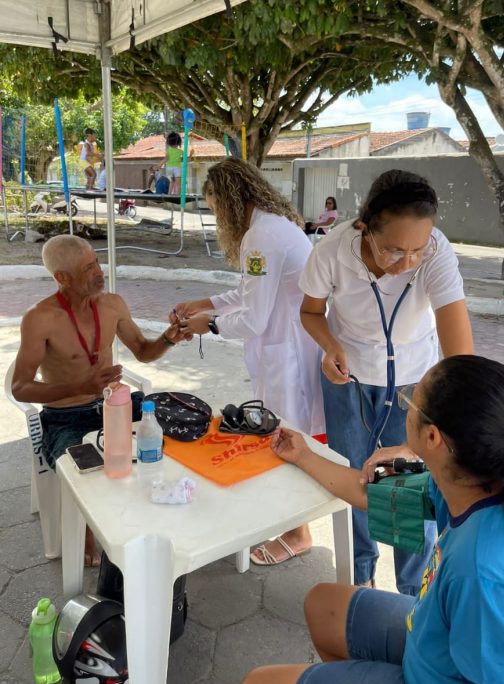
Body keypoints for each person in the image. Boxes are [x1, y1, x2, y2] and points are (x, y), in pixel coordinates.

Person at [239, 355, 504, 684]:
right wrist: (302, 454)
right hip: (434, 642)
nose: (405, 408)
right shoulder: (472, 482)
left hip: (437, 681)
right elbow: (369, 491)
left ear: (432, 437)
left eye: (409, 402)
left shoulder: (483, 575)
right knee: (322, 604)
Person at [299, 169, 474, 593]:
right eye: (395, 250)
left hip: (415, 382)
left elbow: (463, 360)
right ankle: (360, 579)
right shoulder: (331, 251)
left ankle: (415, 593)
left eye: (419, 248)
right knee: (354, 474)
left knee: (410, 483)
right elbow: (310, 312)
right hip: (349, 378)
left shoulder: (436, 253)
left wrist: (423, 438)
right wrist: (329, 347)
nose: (409, 262)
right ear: (364, 227)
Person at [171, 157, 324, 566]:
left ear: (228, 199)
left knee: (288, 436)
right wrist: (205, 304)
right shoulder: (274, 227)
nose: (217, 217)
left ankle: (298, 531)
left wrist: (210, 326)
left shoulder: (260, 238)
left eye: (214, 208)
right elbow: (250, 293)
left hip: (287, 352)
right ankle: (289, 521)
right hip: (291, 346)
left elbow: (254, 317)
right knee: (290, 433)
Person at [11, 235, 190, 564]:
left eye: (96, 262)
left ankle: (165, 503)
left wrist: (168, 338)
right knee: (87, 474)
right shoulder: (40, 318)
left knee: (180, 425)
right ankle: (88, 530)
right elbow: (20, 388)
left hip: (115, 404)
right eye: (87, 268)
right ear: (61, 278)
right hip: (66, 416)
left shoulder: (112, 304)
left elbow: (143, 351)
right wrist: (80, 384)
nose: (98, 272)